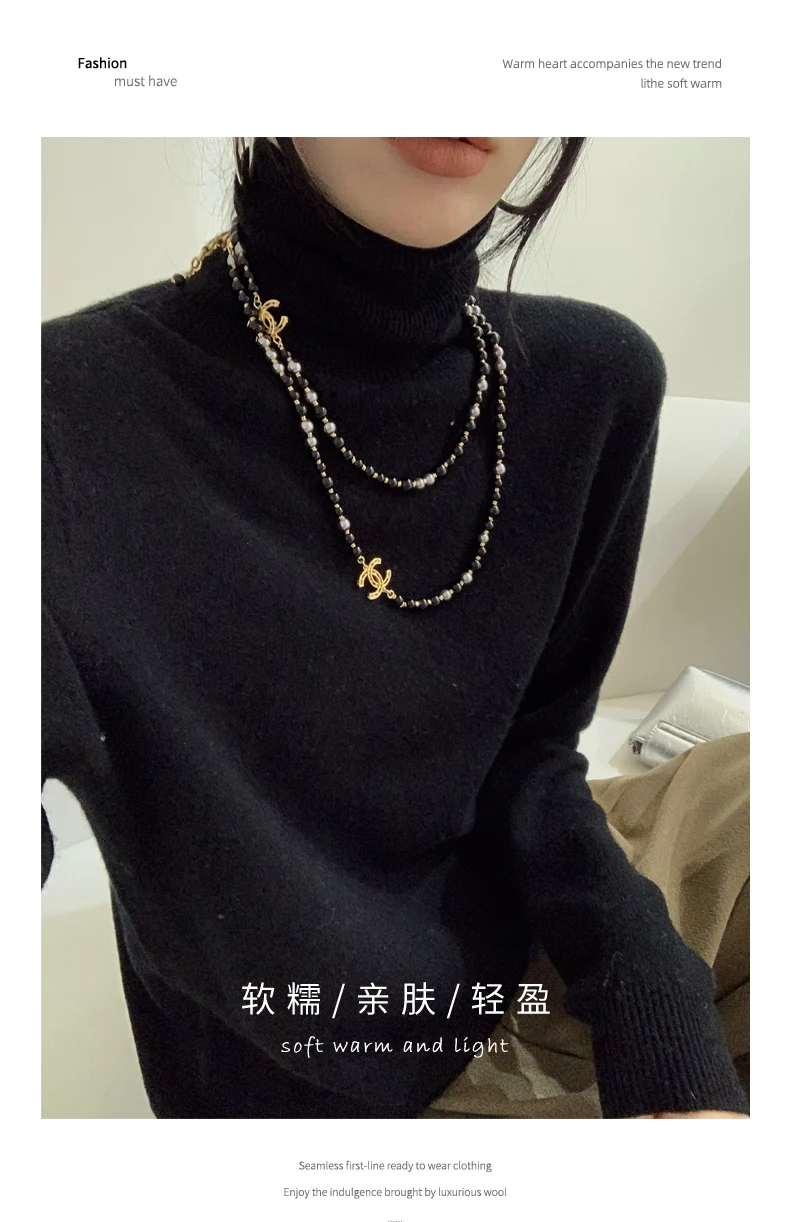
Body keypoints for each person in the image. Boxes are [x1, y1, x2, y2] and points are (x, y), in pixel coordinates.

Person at [41, 136, 749, 1119]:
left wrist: (653, 1006)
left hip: (539, 910)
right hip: (331, 1056)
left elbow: (532, 759)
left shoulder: (595, 382)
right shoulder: (60, 416)